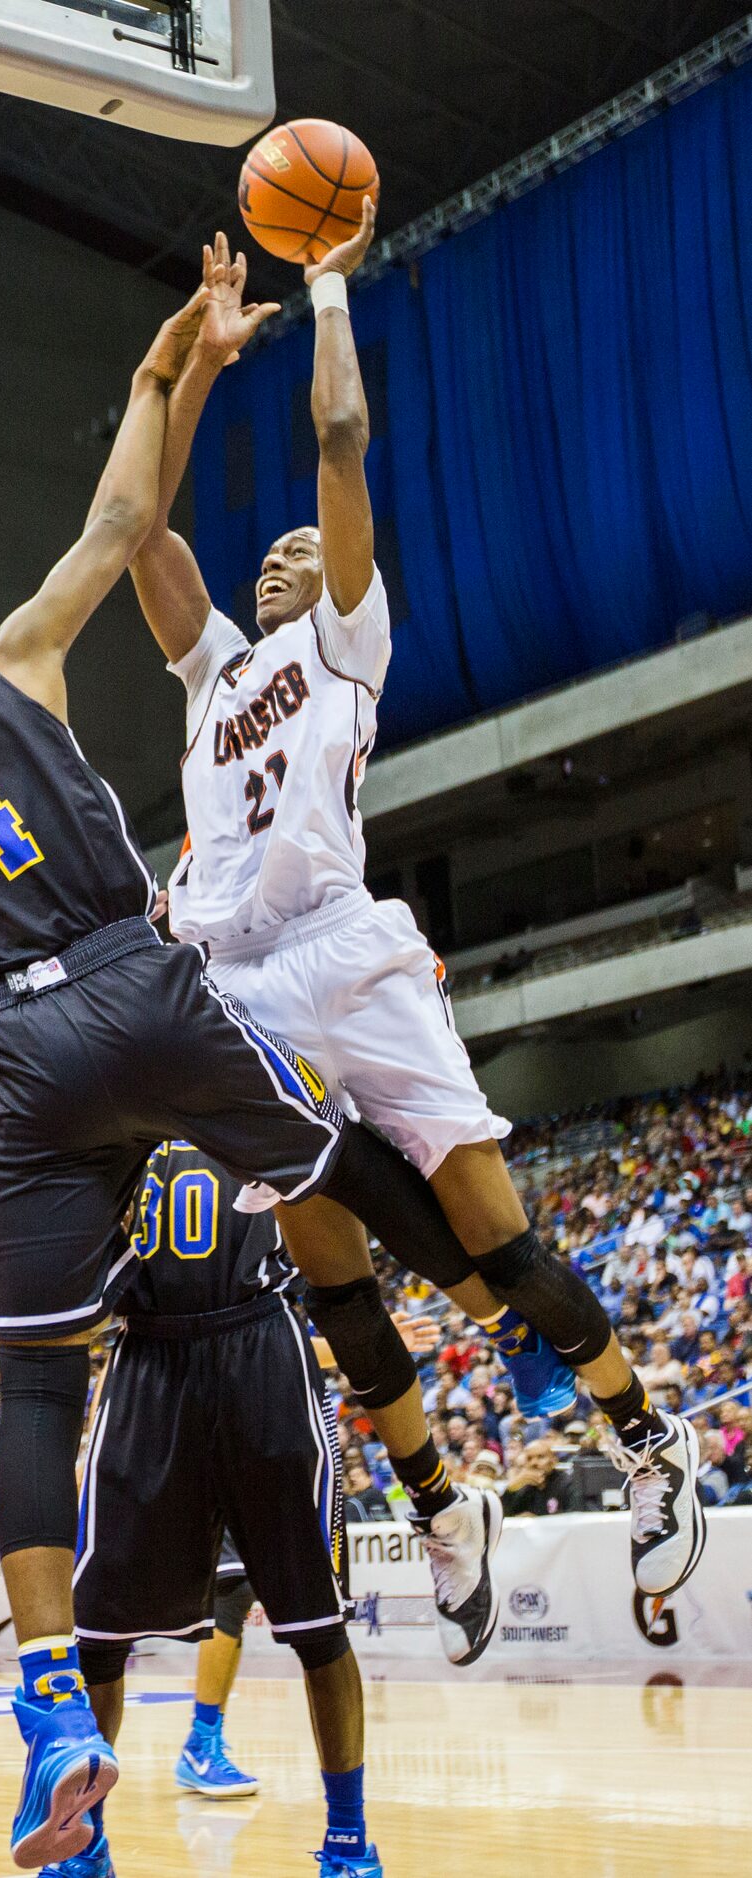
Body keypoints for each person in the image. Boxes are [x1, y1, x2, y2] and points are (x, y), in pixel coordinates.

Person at [0, 265, 524, 1872]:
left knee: (35, 1380)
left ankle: (48, 1703)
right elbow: (126, 522)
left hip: (21, 1058)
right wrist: (160, 366)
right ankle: (502, 1357)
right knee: (340, 1166)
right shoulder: (4, 659)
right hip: (141, 980)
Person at [128, 214, 705, 1606]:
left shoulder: (341, 637)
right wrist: (191, 365)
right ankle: (444, 1506)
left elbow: (338, 447)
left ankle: (648, 1440)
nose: (277, 556)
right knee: (335, 1283)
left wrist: (325, 287)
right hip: (239, 988)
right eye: (262, 554)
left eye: (296, 549)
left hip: (346, 949)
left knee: (493, 1240)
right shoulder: (208, 674)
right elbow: (138, 525)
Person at [61, 1141, 455, 1878]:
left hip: (263, 1351)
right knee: (98, 1634)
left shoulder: (261, 1086)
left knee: (317, 1623)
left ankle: (348, 1838)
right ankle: (85, 1840)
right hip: (146, 1361)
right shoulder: (113, 1108)